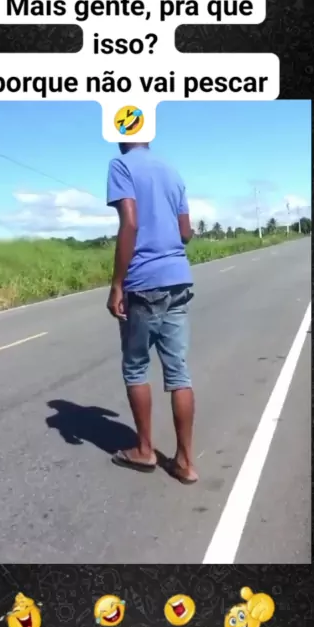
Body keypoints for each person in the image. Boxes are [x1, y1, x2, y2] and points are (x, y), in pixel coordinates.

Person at [106, 141, 198, 485]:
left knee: (135, 367)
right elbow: (185, 233)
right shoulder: (172, 170)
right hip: (178, 278)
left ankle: (145, 450)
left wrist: (117, 284)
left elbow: (129, 224)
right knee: (179, 373)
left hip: (143, 281)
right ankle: (185, 463)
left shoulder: (121, 166)